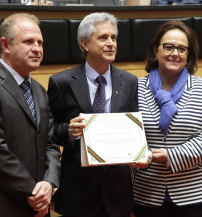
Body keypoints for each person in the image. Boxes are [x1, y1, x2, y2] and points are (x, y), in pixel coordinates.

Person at [47, 12, 149, 217]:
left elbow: (135, 128)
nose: (111, 43)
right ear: (84, 43)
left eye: (114, 38)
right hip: (78, 190)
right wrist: (68, 130)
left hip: (117, 190)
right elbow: (48, 131)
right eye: (103, 37)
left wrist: (139, 153)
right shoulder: (62, 82)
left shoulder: (129, 81)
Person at [0, 13, 61, 217]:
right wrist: (34, 191)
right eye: (28, 42)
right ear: (5, 45)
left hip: (37, 207)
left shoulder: (40, 91)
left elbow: (50, 144)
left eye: (40, 42)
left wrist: (50, 183)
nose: (37, 49)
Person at [132, 20, 202, 217]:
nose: (175, 53)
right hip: (147, 194)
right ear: (155, 50)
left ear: (188, 55)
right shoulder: (135, 88)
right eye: (169, 47)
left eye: (182, 49)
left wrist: (171, 156)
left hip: (197, 195)